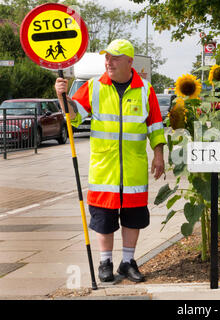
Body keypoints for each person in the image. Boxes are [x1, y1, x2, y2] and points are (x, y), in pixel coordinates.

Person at [55, 39, 166, 283]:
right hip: (104, 171)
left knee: (133, 217)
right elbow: (73, 116)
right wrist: (63, 97)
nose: (109, 62)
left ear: (129, 61)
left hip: (134, 170)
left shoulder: (146, 90)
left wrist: (159, 154)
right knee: (103, 218)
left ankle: (127, 262)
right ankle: (105, 262)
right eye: (107, 58)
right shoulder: (94, 87)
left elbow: (156, 126)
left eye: (115, 58)